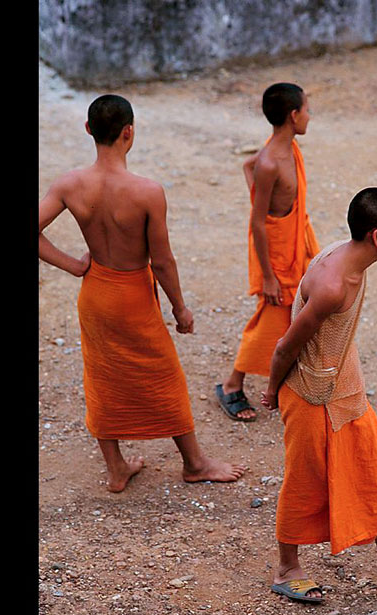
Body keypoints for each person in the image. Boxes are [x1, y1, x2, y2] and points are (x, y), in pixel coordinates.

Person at [39, 94, 247, 492]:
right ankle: (194, 463)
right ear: (129, 132)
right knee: (164, 374)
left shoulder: (69, 184)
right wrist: (180, 309)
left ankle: (116, 467)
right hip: (133, 295)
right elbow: (163, 261)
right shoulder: (147, 192)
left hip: (96, 293)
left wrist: (75, 265)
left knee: (101, 376)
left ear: (88, 130)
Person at [260, 188, 377, 602]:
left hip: (343, 387)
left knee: (376, 464)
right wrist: (273, 391)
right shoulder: (334, 284)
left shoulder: (350, 255)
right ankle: (286, 568)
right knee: (304, 480)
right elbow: (284, 347)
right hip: (311, 394)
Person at [215, 82, 320, 422]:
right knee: (272, 317)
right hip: (276, 255)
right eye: (307, 109)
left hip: (297, 242)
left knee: (303, 310)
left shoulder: (284, 149)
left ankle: (296, 376)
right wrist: (270, 277)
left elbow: (250, 166)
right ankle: (232, 384)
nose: (309, 116)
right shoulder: (272, 161)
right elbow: (258, 223)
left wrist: (254, 182)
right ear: (293, 115)